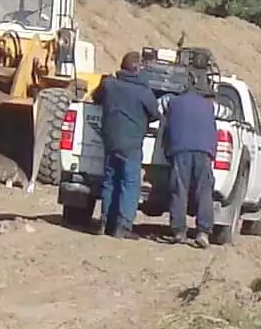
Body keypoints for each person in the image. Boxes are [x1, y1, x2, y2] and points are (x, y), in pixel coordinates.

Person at [94, 51, 157, 236]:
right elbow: (154, 113)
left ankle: (105, 222)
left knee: (110, 180)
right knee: (129, 183)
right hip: (131, 144)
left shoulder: (109, 85)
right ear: (137, 69)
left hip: (110, 140)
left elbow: (95, 97)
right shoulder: (143, 92)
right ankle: (123, 227)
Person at [160, 73, 221, 246]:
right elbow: (223, 114)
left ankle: (179, 231)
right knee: (204, 191)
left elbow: (161, 115)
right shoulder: (209, 106)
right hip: (204, 151)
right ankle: (203, 232)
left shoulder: (173, 102)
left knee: (179, 189)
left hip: (180, 149)